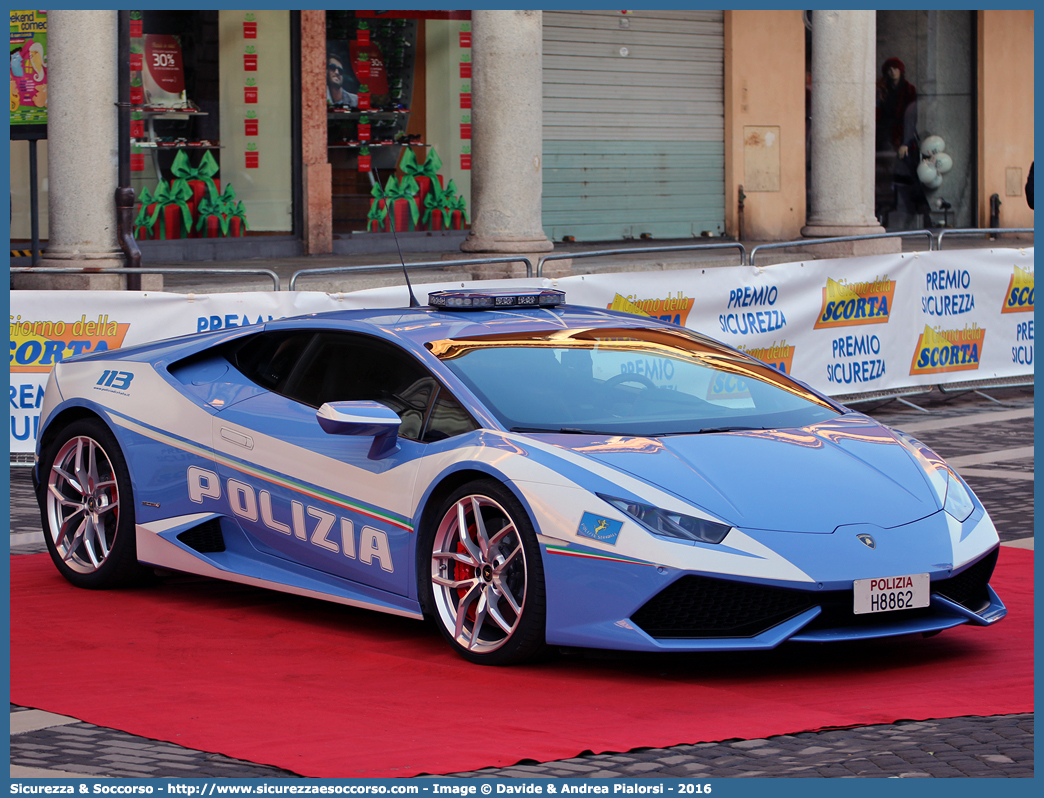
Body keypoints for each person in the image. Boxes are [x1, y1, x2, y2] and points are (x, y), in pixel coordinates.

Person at [876, 57, 927, 228]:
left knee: (910, 172)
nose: (892, 72)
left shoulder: (909, 89)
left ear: (901, 71)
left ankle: (922, 210)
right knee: (885, 174)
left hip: (902, 136)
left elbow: (910, 117)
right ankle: (886, 207)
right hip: (884, 135)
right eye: (889, 69)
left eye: (895, 69)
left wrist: (905, 142)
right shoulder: (882, 88)